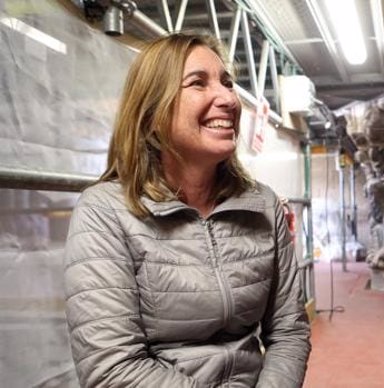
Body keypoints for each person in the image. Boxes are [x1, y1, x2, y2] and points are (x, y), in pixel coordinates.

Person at [63, 33, 310, 387]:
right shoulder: (104, 212)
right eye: (198, 83)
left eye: (227, 83)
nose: (228, 98)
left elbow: (289, 332)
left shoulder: (263, 206)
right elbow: (112, 367)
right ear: (152, 114)